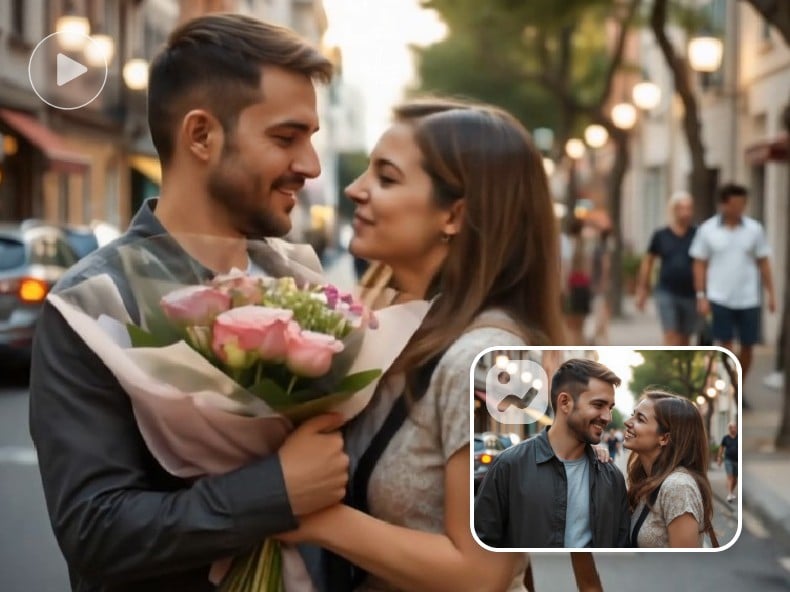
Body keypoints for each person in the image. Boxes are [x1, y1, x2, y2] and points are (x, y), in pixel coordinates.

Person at [29, 15, 347, 592]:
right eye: (285, 137)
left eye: (312, 138)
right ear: (201, 136)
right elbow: (95, 531)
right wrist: (275, 491)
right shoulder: (95, 302)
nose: (311, 165)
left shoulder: (305, 282)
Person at [275, 99, 567, 590]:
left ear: (453, 215)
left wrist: (302, 512)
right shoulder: (393, 326)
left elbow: (482, 571)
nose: (355, 189)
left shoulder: (497, 361)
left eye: (386, 178)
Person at [474, 358, 629, 548]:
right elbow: (483, 546)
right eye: (598, 405)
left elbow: (620, 550)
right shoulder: (509, 466)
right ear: (565, 402)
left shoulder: (612, 478)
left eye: (610, 407)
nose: (607, 417)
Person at [690, 183, 776, 387]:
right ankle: (731, 386)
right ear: (724, 205)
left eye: (743, 204)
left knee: (748, 346)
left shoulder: (754, 229)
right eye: (735, 204)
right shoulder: (707, 229)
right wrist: (701, 296)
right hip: (719, 297)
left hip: (748, 297)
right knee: (725, 345)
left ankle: (739, 385)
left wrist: (771, 293)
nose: (739, 209)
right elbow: (699, 264)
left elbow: (763, 261)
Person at [623, 391, 718, 548]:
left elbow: (685, 564)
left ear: (664, 438)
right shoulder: (650, 481)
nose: (627, 422)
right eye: (633, 415)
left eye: (640, 419)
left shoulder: (678, 486)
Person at [635, 191, 698, 346]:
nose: (686, 213)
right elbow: (648, 261)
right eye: (682, 208)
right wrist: (643, 289)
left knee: (685, 338)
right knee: (671, 334)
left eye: (689, 208)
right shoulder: (661, 235)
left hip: (691, 293)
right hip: (666, 291)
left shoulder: (697, 234)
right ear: (673, 210)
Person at [563, 219, 593, 345]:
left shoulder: (568, 243)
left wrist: (564, 286)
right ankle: (580, 343)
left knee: (570, 324)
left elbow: (566, 267)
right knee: (580, 324)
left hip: (572, 284)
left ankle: (574, 344)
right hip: (584, 284)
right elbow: (589, 267)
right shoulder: (586, 244)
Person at [717, 422, 739, 503]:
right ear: (729, 429)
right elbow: (721, 448)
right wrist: (719, 458)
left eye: (734, 427)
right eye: (731, 427)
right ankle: (729, 494)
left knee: (735, 479)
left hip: (737, 461)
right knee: (730, 476)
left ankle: (731, 492)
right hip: (728, 460)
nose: (733, 429)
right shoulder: (725, 438)